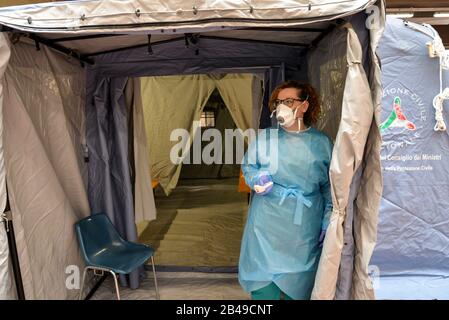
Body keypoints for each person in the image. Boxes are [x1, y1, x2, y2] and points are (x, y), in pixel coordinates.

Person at [238, 80, 333, 300]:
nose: (282, 106)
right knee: (263, 280)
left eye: (289, 101)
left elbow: (330, 186)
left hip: (303, 226)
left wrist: (328, 219)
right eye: (279, 102)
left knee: (299, 284)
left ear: (305, 106)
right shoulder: (265, 138)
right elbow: (249, 166)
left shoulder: (322, 143)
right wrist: (257, 178)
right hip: (267, 222)